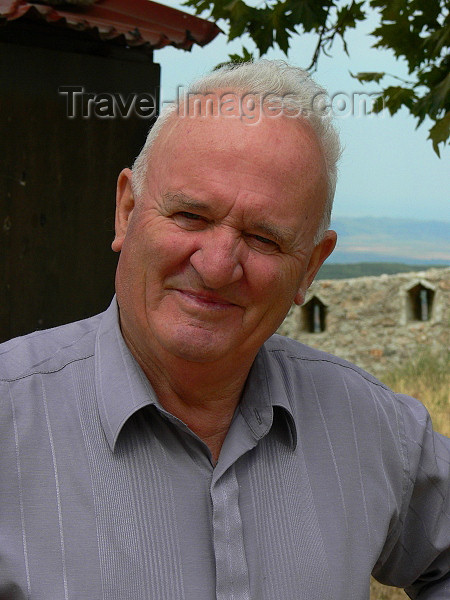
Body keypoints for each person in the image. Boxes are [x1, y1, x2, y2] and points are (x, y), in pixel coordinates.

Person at [0, 60, 448, 600]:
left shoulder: (374, 427)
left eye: (263, 238)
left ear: (310, 268)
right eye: (190, 215)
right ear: (127, 211)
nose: (216, 266)